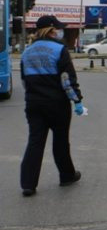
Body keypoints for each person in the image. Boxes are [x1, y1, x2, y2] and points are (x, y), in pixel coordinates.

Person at [19, 15, 84, 197]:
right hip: (57, 104)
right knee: (60, 140)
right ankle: (66, 175)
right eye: (58, 28)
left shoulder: (27, 52)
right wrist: (77, 100)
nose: (60, 31)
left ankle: (28, 184)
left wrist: (33, 96)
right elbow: (67, 80)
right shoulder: (59, 50)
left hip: (34, 103)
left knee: (35, 141)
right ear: (52, 29)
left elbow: (24, 81)